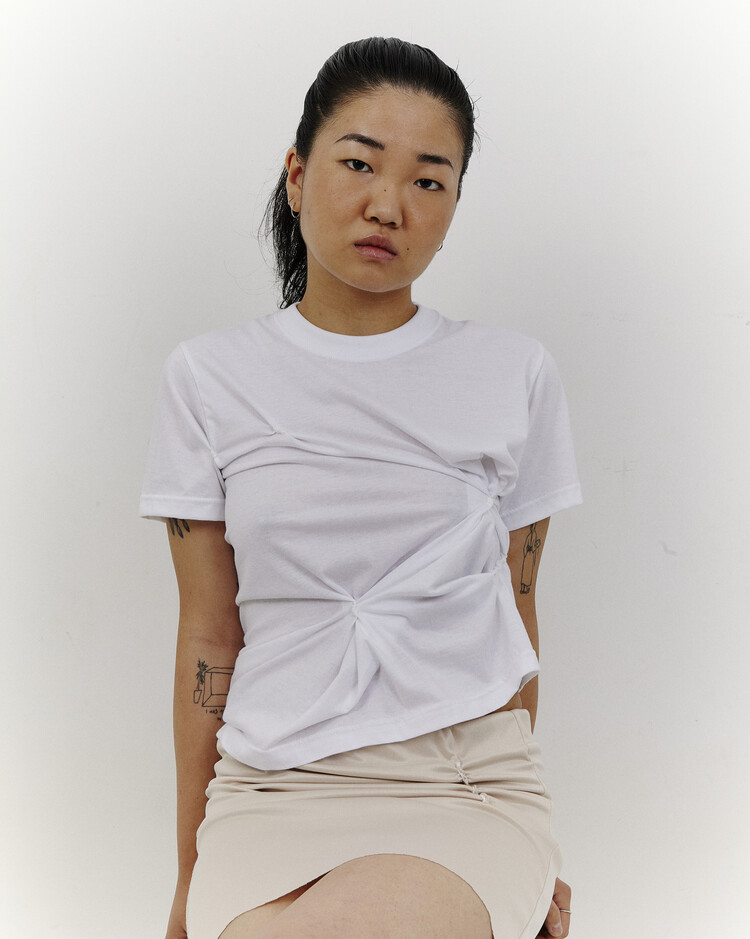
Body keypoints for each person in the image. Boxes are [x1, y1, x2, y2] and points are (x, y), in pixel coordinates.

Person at [140, 36, 581, 939]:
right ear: (297, 176)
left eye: (429, 180)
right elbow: (209, 636)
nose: (389, 204)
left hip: (461, 785)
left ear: (454, 205)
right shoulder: (208, 377)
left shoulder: (513, 373)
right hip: (268, 791)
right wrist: (188, 877)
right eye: (359, 163)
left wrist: (523, 861)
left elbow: (515, 611)